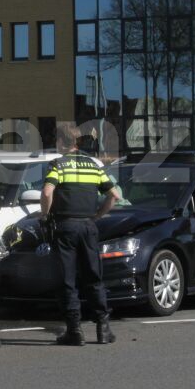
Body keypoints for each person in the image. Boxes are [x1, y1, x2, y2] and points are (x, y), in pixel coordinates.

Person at [40, 124, 121, 346]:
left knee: (67, 279)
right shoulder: (93, 165)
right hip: (88, 226)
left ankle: (74, 330)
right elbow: (114, 195)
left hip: (65, 226)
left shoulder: (57, 164)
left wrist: (44, 216)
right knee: (93, 277)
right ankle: (103, 328)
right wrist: (97, 216)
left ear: (60, 142)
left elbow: (47, 192)